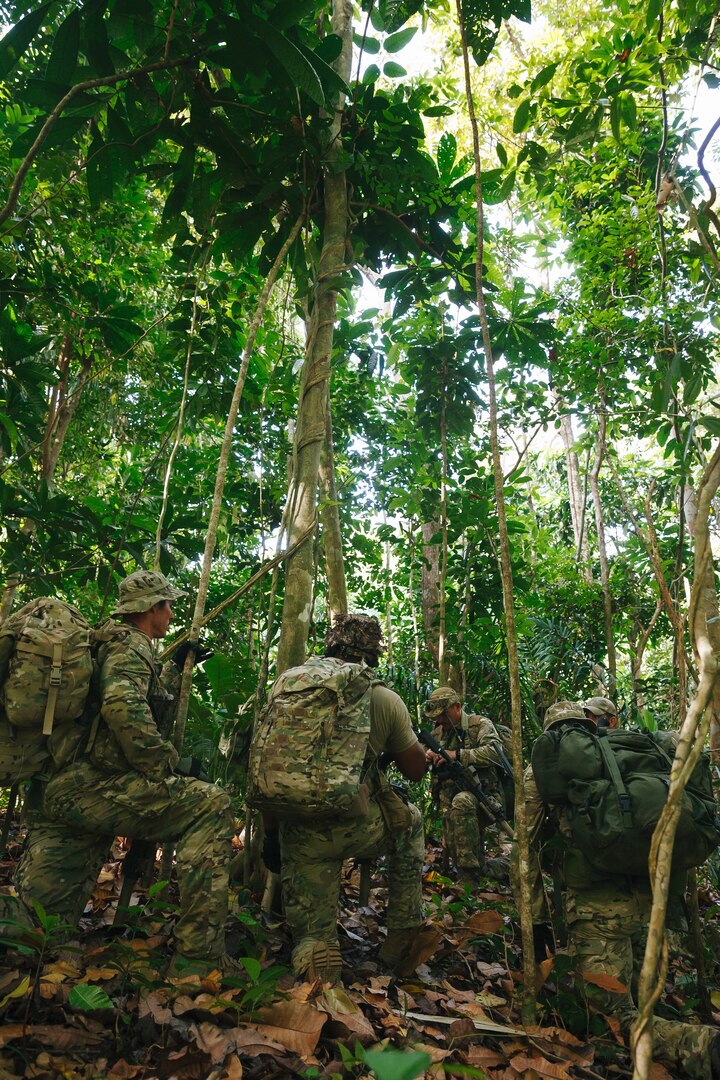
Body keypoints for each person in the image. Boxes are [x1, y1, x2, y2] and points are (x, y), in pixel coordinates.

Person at [14, 570, 236, 975]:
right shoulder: (131, 648)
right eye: (168, 605)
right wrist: (168, 763)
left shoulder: (100, 641)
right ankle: (198, 961)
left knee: (35, 929)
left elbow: (112, 700)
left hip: (58, 787)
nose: (171, 614)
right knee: (212, 805)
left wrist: (171, 670)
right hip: (96, 787)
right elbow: (122, 708)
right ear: (152, 608)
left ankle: (47, 956)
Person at [516, 700, 718, 1080]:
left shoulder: (547, 771)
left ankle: (701, 1046)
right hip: (653, 901)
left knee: (608, 1020)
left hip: (599, 908)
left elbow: (524, 852)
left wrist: (537, 920)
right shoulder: (631, 753)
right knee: (645, 994)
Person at [272, 614, 431, 985]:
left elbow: (271, 770)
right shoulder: (384, 699)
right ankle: (401, 934)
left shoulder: (286, 686)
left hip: (300, 831)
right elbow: (415, 771)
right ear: (371, 656)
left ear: (330, 645)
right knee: (412, 823)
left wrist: (269, 838)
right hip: (358, 824)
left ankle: (316, 953)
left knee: (312, 933)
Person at [423, 686, 508, 886]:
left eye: (443, 715)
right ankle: (493, 869)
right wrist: (428, 756)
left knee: (462, 804)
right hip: (449, 799)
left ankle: (469, 882)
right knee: (457, 847)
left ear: (457, 707)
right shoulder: (437, 733)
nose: (439, 720)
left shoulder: (479, 725)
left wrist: (457, 755)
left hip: (483, 796)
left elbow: (496, 754)